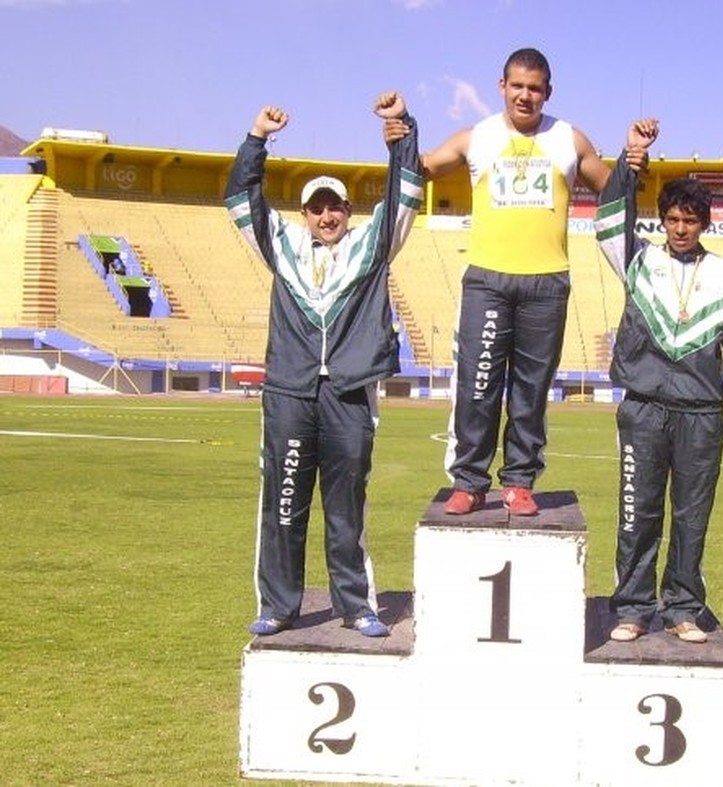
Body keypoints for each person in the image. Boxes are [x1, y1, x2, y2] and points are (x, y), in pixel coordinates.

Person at [225, 93, 423, 637]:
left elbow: (406, 191)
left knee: (345, 509)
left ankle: (356, 605)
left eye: (336, 206)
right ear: (304, 214)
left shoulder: (372, 246)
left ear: (349, 212)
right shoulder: (281, 245)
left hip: (350, 391)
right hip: (289, 390)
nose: (328, 215)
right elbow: (240, 196)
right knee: (284, 501)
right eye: (317, 207)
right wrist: (256, 139)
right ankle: (279, 605)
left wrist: (400, 131)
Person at [386, 47, 611, 516]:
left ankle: (520, 481)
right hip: (488, 281)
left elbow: (613, 188)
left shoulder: (571, 139)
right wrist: (397, 132)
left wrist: (636, 161)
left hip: (547, 283)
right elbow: (423, 166)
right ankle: (469, 481)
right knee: (478, 383)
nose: (525, 96)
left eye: (534, 88)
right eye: (517, 86)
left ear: (548, 92)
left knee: (532, 390)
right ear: (501, 86)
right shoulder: (478, 137)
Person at [595, 121, 723, 643]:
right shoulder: (639, 261)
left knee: (691, 518)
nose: (681, 228)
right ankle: (633, 608)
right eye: (672, 218)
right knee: (637, 512)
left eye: (690, 220)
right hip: (643, 407)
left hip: (699, 414)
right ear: (661, 220)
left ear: (703, 223)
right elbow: (610, 217)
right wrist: (631, 161)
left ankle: (684, 608)